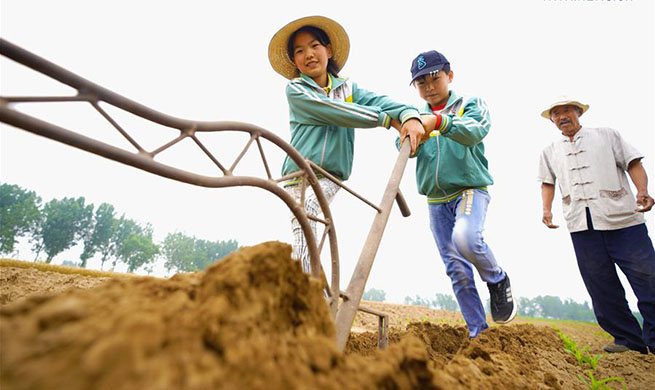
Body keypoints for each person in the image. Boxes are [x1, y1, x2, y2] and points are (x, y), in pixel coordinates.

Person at [268, 16, 425, 273]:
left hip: (331, 175)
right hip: (299, 175)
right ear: (295, 61)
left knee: (311, 216)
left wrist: (408, 115)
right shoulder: (296, 90)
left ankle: (312, 293)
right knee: (305, 224)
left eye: (314, 45)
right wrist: (385, 121)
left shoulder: (348, 89)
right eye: (299, 51)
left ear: (328, 51)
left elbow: (380, 102)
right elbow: (334, 110)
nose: (308, 54)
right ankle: (312, 294)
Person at [401, 50, 516, 338]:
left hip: (469, 189)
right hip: (435, 201)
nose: (429, 87)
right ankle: (479, 333)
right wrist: (409, 132)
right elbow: (404, 148)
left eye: (434, 79)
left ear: (449, 76)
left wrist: (440, 123)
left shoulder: (468, 104)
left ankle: (497, 279)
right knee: (457, 269)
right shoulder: (417, 116)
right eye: (421, 83)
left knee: (466, 239)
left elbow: (475, 131)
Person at [538, 96, 655, 354]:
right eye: (556, 114)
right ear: (552, 120)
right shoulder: (550, 151)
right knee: (600, 285)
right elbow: (548, 182)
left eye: (567, 110)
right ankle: (628, 340)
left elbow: (633, 162)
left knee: (647, 277)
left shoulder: (607, 135)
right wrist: (546, 209)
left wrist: (643, 190)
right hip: (582, 226)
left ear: (578, 112)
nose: (562, 116)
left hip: (623, 221)